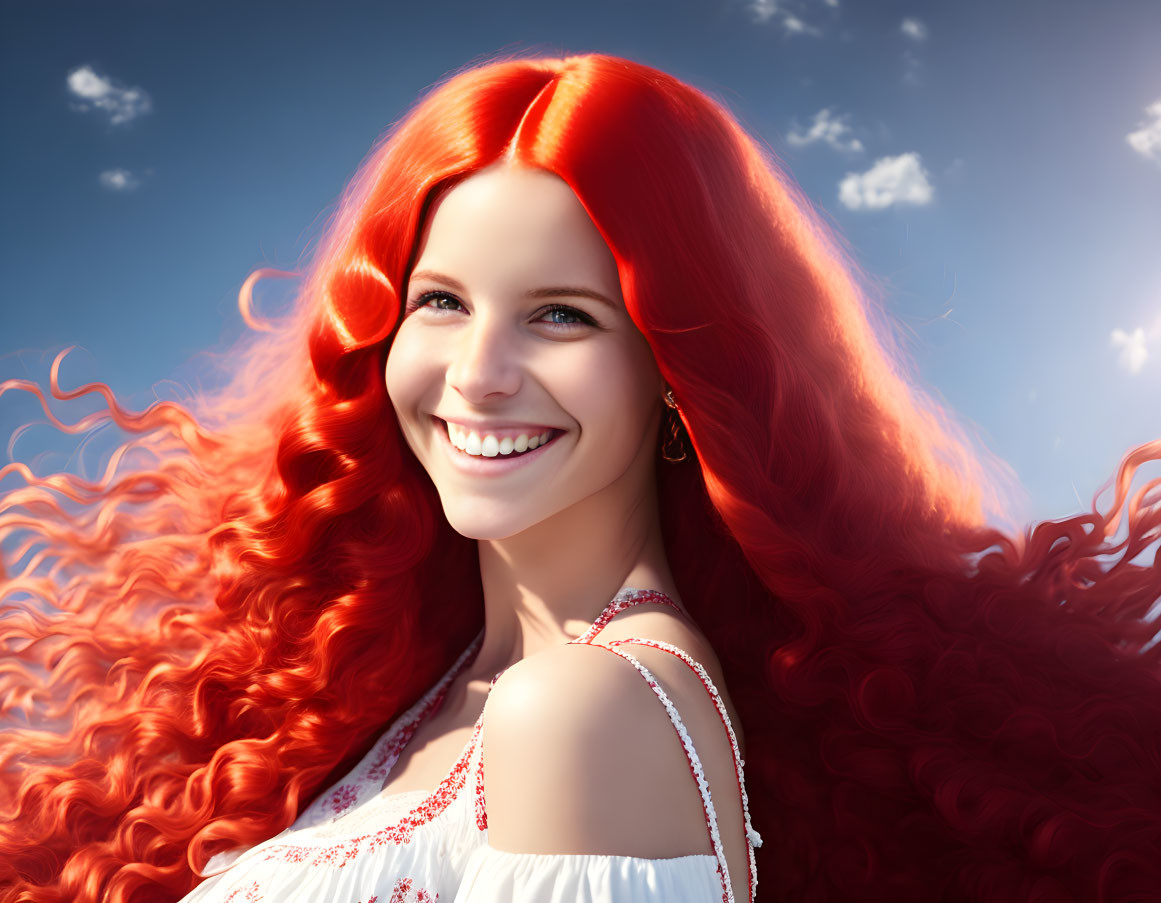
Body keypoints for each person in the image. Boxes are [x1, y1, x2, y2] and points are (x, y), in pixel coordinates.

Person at [1, 51, 1159, 903]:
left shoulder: (589, 709)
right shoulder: (464, 687)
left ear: (677, 372)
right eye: (441, 302)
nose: (479, 374)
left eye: (561, 315)